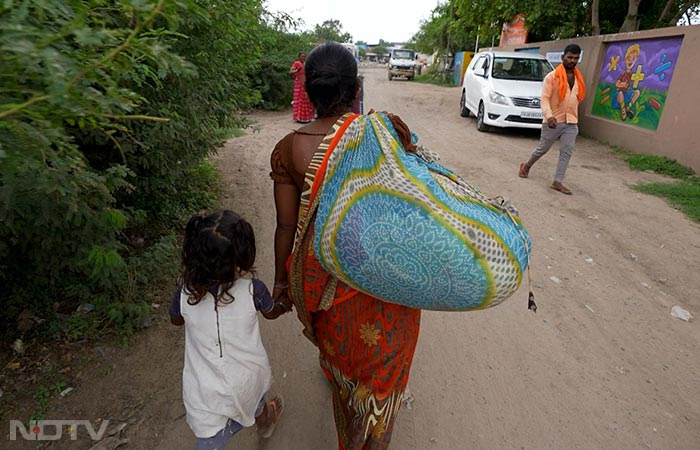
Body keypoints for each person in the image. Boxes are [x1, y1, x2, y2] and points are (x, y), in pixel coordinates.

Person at [269, 42, 421, 449]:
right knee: (382, 380)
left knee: (345, 375)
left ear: (308, 90)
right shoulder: (385, 134)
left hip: (329, 293)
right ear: (356, 89)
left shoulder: (290, 149)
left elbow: (287, 227)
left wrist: (283, 288)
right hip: (391, 282)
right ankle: (374, 435)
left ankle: (350, 432)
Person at [169, 210, 291, 450]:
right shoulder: (253, 290)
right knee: (253, 400)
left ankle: (262, 418)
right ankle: (265, 421)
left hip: (205, 391)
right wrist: (286, 303)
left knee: (209, 440)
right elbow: (271, 312)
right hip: (247, 378)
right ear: (239, 260)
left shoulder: (184, 294)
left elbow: (176, 320)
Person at [518, 44, 586, 195]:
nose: (572, 61)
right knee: (543, 148)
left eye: (576, 58)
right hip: (553, 121)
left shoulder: (579, 79)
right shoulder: (552, 77)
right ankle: (527, 165)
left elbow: (576, 98)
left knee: (566, 151)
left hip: (571, 121)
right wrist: (549, 116)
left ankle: (557, 182)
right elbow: (544, 99)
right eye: (569, 57)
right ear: (563, 57)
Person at [612, 43, 641, 121]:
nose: (630, 61)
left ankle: (628, 107)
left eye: (633, 59)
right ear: (625, 60)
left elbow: (636, 82)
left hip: (627, 94)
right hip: (619, 96)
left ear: (636, 60)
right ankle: (623, 110)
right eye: (629, 58)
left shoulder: (633, 75)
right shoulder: (623, 74)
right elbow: (617, 84)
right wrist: (622, 84)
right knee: (620, 93)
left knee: (637, 92)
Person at [289, 51, 315, 123]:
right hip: (299, 83)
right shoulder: (296, 63)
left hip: (305, 82)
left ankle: (306, 117)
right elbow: (290, 72)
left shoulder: (306, 64)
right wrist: (297, 70)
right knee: (299, 99)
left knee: (306, 99)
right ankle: (299, 117)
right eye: (302, 56)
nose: (303, 57)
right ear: (299, 57)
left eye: (304, 56)